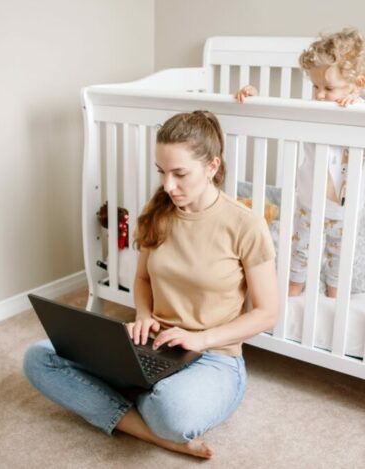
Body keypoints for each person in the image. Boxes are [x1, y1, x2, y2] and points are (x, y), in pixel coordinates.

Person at [23, 110, 279, 459]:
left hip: (214, 356)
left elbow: (267, 313)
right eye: (162, 173)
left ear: (212, 166)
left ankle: (142, 406)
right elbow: (142, 278)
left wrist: (200, 338)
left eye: (180, 174)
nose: (168, 186)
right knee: (39, 357)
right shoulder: (158, 211)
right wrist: (143, 314)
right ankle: (152, 433)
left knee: (172, 412)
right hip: (154, 345)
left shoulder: (246, 225)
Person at [235, 27, 365, 298]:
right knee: (300, 248)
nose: (320, 95)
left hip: (346, 210)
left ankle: (334, 292)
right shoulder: (312, 112)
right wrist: (254, 99)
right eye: (315, 86)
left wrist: (361, 108)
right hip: (310, 203)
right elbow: (278, 116)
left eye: (328, 88)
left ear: (358, 83)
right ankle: (294, 288)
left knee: (339, 252)